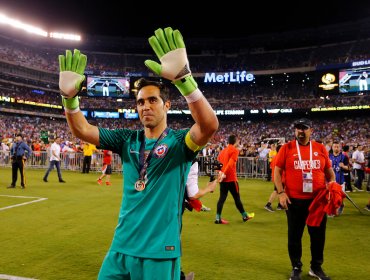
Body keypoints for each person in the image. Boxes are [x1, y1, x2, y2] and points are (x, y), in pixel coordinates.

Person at [58, 27, 218, 280]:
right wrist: (69, 99)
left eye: (152, 100)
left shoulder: (179, 143)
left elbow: (208, 126)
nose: (145, 106)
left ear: (166, 105)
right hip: (121, 247)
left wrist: (184, 80)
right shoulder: (127, 139)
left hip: (159, 251)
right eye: (141, 102)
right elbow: (82, 129)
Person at [274, 118, 336, 280]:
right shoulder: (287, 148)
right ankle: (296, 267)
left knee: (318, 236)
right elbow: (277, 171)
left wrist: (333, 185)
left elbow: (329, 172)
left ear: (311, 130)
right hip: (294, 200)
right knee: (294, 236)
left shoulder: (320, 147)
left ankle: (316, 267)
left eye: (304, 128)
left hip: (317, 201)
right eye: (298, 128)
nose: (301, 131)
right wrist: (281, 193)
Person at [215, 134, 255, 224]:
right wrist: (224, 173)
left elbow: (217, 164)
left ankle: (218, 218)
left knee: (222, 198)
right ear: (235, 141)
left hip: (223, 179)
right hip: (231, 179)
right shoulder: (234, 150)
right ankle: (245, 216)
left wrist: (220, 174)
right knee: (237, 198)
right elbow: (230, 163)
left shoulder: (223, 151)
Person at [329, 141, 349, 215]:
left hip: (340, 180)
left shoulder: (344, 157)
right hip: (331, 180)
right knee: (332, 197)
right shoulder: (329, 156)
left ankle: (341, 205)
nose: (336, 148)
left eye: (338, 147)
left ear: (340, 147)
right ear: (332, 147)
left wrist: (343, 166)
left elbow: (348, 168)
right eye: (335, 146)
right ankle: (332, 211)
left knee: (339, 197)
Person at [264, 144, 284, 212]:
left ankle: (280, 205)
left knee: (279, 191)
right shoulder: (281, 157)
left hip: (276, 177)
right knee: (277, 191)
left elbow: (271, 166)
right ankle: (268, 204)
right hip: (280, 177)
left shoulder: (275, 157)